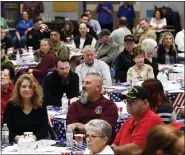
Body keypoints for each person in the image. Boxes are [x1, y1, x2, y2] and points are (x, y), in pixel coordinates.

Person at [66, 73, 118, 143]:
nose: (83, 86)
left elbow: (103, 131)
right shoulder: (75, 105)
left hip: (102, 147)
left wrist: (78, 127)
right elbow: (71, 129)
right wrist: (93, 129)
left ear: (98, 87)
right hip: (79, 145)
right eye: (83, 83)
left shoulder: (109, 106)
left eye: (88, 83)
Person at [111, 86, 163, 155]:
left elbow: (136, 149)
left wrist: (112, 150)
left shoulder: (152, 119)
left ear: (145, 103)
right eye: (127, 101)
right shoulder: (129, 120)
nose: (128, 104)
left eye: (132, 101)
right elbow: (115, 143)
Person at [3, 74, 49, 142]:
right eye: (24, 86)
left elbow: (44, 130)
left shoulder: (41, 105)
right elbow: (6, 130)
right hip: (15, 144)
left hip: (36, 144)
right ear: (18, 88)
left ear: (35, 89)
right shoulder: (10, 106)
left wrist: (34, 138)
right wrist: (19, 139)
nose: (27, 89)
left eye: (30, 87)